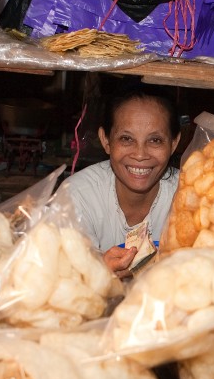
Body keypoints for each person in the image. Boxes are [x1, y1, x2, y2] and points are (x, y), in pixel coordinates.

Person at [65, 86, 181, 278]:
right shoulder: (78, 196)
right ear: (106, 140)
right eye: (126, 139)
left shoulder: (189, 196)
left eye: (155, 140)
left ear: (174, 143)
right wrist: (97, 272)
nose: (140, 154)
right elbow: (63, 279)